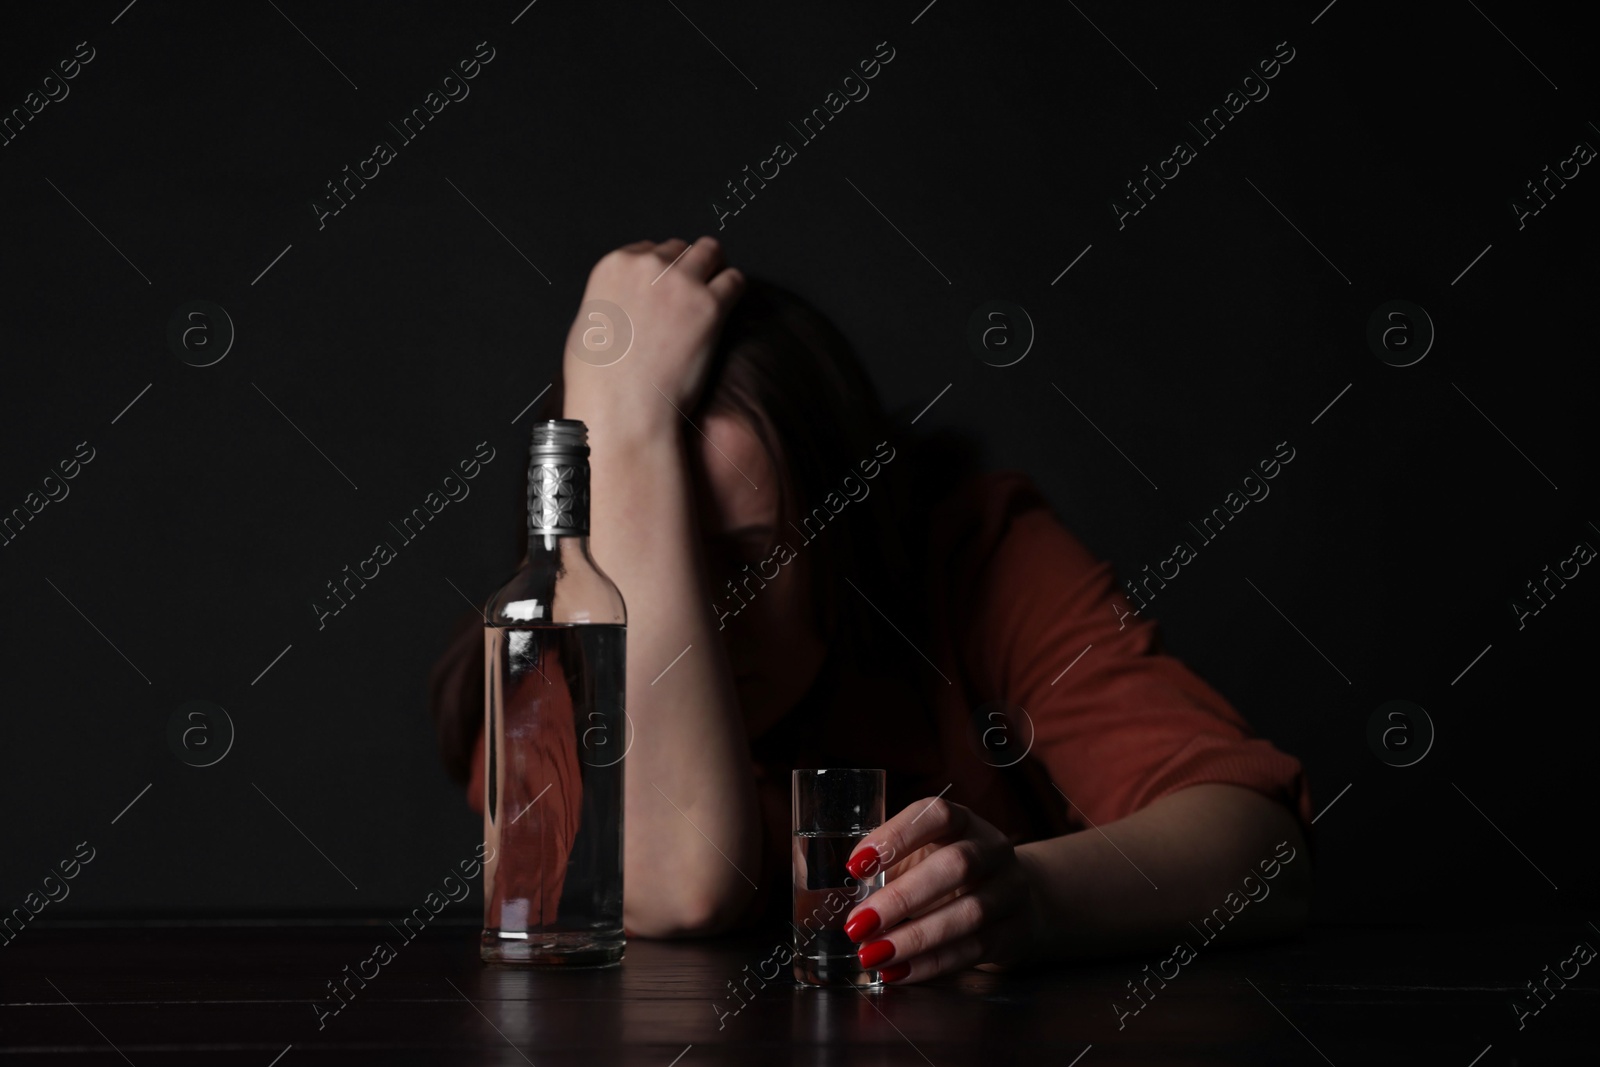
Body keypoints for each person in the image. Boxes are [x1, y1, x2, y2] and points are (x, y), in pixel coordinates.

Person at [430, 236, 1313, 983]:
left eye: (744, 557)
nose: (707, 614)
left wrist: (1028, 895)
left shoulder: (974, 553)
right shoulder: (534, 652)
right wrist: (616, 420)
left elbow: (1262, 853)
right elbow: (686, 879)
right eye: (652, 553)